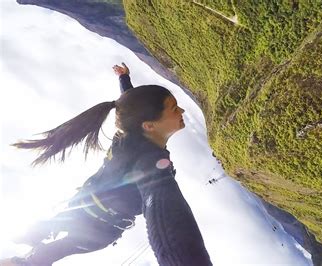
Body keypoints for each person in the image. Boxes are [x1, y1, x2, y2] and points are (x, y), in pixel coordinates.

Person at [5, 63, 212, 266]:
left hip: (82, 206)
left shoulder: (126, 133)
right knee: (49, 252)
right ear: (148, 125)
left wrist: (124, 80)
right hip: (97, 227)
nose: (182, 111)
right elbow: (162, 207)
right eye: (174, 108)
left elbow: (132, 107)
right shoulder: (150, 162)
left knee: (49, 241)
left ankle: (29, 241)